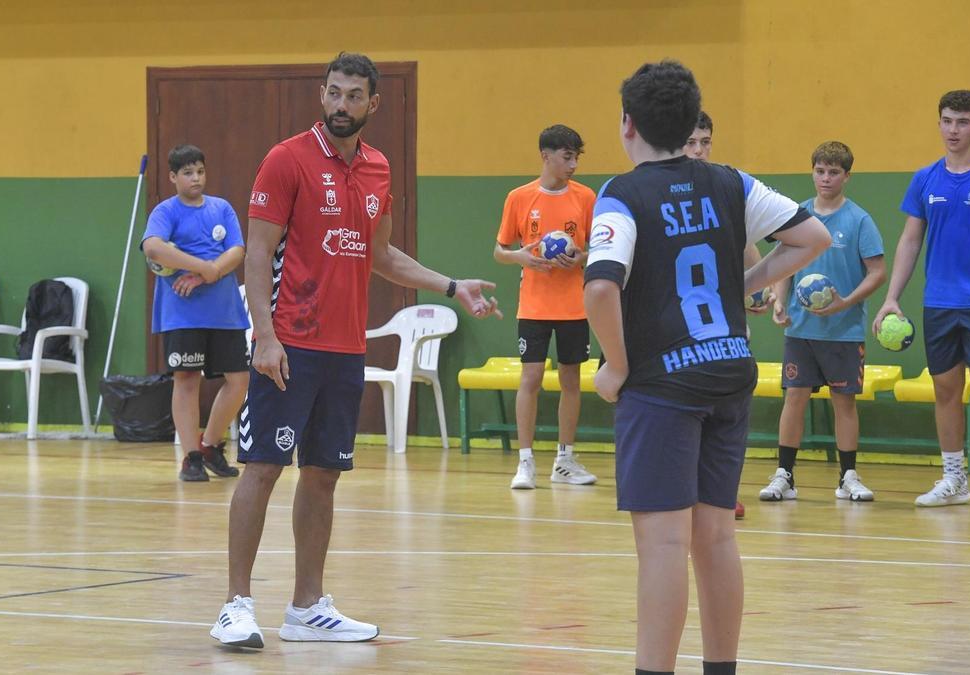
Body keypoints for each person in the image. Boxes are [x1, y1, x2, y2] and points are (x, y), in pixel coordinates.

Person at [210, 52, 501, 649]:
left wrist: (452, 285)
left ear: (373, 103)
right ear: (322, 94)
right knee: (262, 468)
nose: (341, 105)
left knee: (322, 476)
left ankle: (306, 607)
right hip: (288, 344)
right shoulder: (286, 159)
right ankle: (235, 605)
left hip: (345, 350)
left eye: (353, 96)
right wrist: (265, 336)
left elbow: (382, 255)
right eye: (334, 93)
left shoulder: (377, 168)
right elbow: (258, 254)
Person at [584, 60, 829, 673]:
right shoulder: (731, 182)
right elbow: (812, 238)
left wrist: (616, 365)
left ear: (627, 124)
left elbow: (600, 287)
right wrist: (740, 287)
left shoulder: (621, 194)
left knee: (664, 543)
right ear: (692, 120)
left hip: (661, 383)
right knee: (715, 537)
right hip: (729, 371)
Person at [873, 90, 970, 509]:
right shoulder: (925, 179)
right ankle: (954, 480)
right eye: (947, 120)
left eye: (962, 122)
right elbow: (911, 240)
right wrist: (892, 298)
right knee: (945, 388)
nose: (953, 130)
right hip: (939, 303)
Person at [760, 141, 886, 502]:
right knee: (794, 397)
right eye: (820, 171)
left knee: (843, 402)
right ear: (812, 172)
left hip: (844, 332)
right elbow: (783, 265)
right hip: (801, 330)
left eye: (833, 172)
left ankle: (847, 477)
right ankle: (785, 475)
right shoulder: (798, 216)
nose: (826, 178)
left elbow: (877, 272)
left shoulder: (859, 220)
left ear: (847, 176)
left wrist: (845, 302)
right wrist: (779, 301)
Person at [493, 124, 597, 489]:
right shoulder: (519, 198)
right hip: (534, 306)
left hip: (574, 306)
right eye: (567, 157)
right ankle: (525, 462)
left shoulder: (586, 197)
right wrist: (520, 257)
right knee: (531, 378)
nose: (573, 165)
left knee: (571, 380)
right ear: (546, 156)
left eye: (576, 158)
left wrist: (581, 257)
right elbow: (500, 251)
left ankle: (564, 461)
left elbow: (598, 247)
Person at [142, 144, 247, 482]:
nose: (196, 178)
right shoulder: (165, 211)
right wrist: (202, 266)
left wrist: (207, 274)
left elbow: (237, 250)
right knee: (187, 379)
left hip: (225, 311)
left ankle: (211, 445)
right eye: (187, 173)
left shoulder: (222, 208)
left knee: (239, 380)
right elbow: (153, 247)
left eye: (200, 171)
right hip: (182, 312)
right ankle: (191, 457)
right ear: (173, 177)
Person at [684, 110, 753, 520]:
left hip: (725, 324)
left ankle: (723, 492)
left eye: (705, 142)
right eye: (691, 142)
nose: (699, 151)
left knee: (728, 414)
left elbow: (747, 245)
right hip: (679, 328)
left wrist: (757, 287)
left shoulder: (726, 187)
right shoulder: (656, 190)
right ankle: (683, 492)